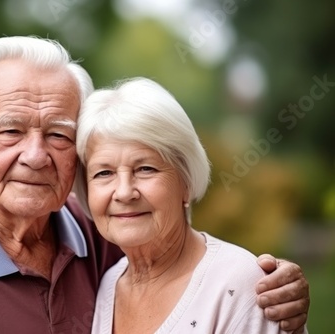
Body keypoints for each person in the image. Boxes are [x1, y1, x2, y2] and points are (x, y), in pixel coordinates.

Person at [0, 36, 309, 333]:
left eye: (58, 134)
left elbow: (194, 275)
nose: (36, 155)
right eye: (11, 131)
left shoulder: (100, 236)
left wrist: (275, 289)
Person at [73, 77, 308, 333]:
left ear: (185, 182)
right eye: (104, 173)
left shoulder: (240, 285)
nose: (125, 192)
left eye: (145, 168)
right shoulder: (106, 286)